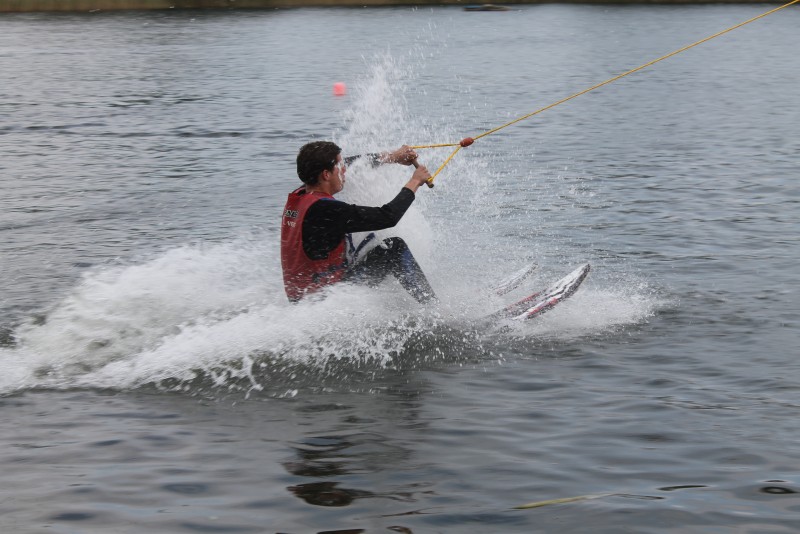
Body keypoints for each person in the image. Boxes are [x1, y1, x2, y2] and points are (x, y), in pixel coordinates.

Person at [281, 141, 437, 304]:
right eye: (339, 166)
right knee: (394, 248)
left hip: (301, 298)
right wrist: (415, 181)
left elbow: (354, 164)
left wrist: (393, 157)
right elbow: (388, 217)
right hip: (324, 302)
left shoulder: (301, 194)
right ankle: (435, 310)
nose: (344, 169)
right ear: (326, 174)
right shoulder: (325, 209)